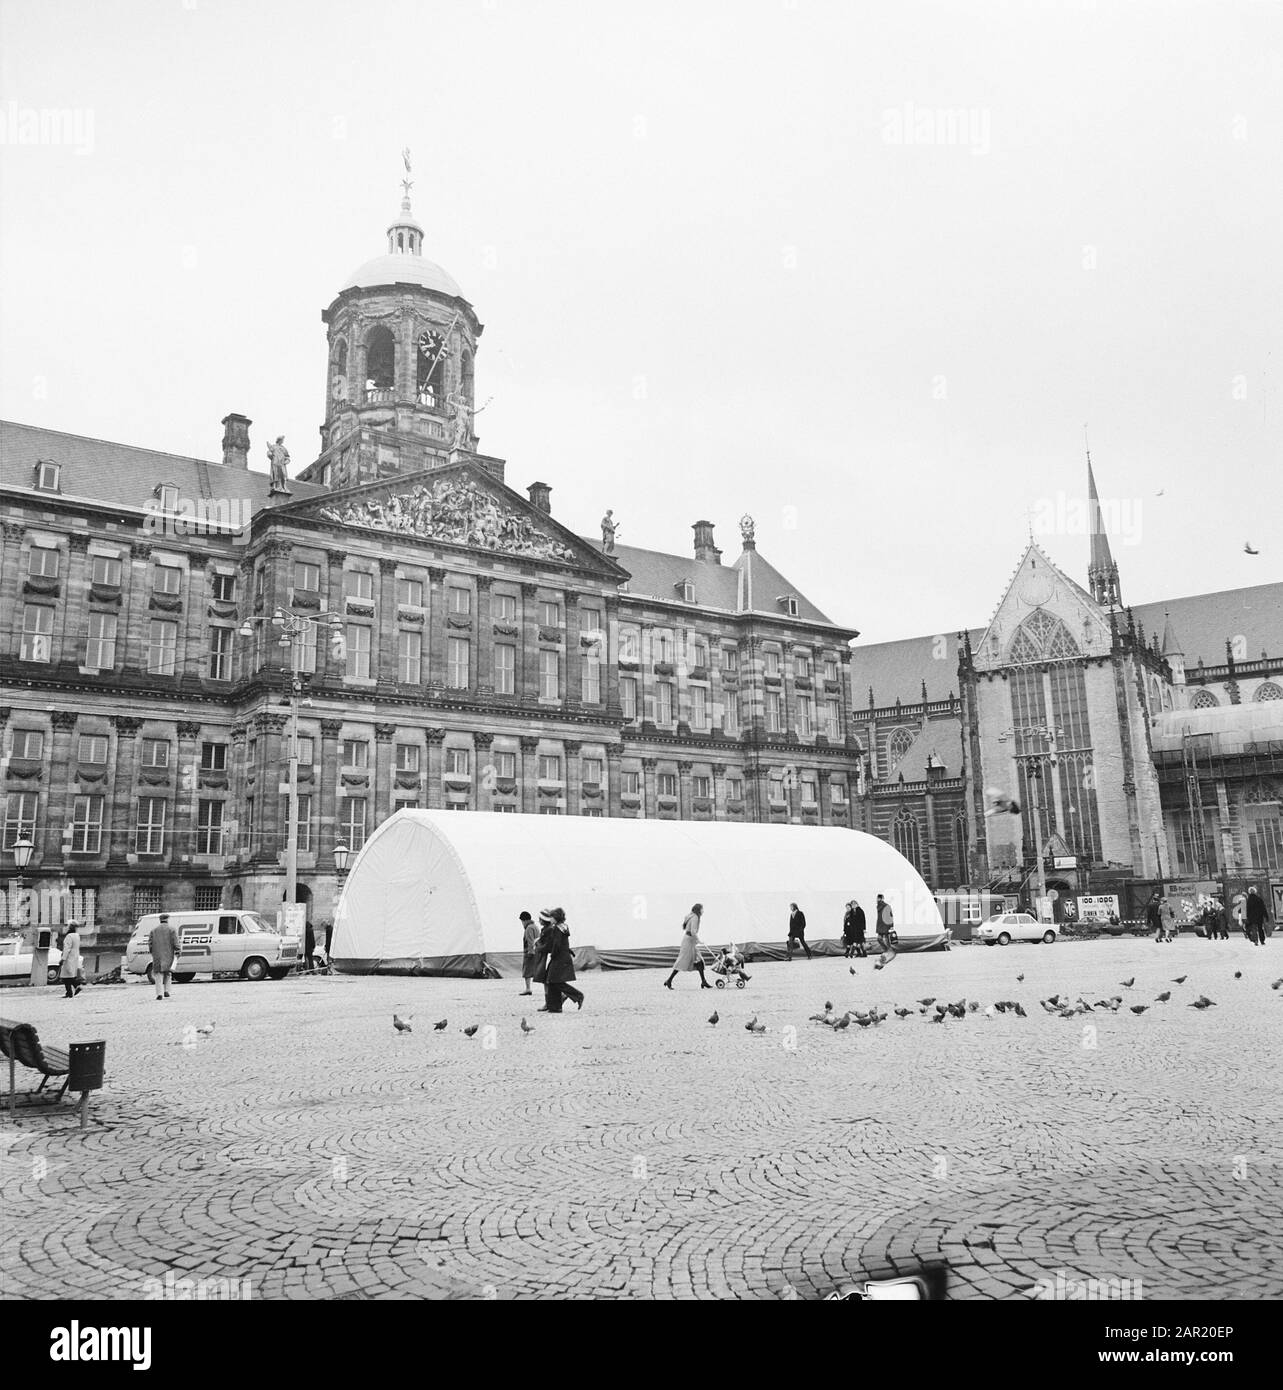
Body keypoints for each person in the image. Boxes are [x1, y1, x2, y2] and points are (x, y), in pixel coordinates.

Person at [535, 908, 584, 1013]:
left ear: (556, 918)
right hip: (563, 957)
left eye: (551, 917)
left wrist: (552, 955)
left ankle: (577, 995)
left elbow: (556, 945)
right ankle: (555, 1007)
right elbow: (563, 943)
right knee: (553, 981)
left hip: (559, 958)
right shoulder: (564, 927)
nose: (550, 919)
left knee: (554, 981)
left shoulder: (557, 929)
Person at [665, 903, 713, 989]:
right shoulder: (695, 917)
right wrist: (699, 941)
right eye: (702, 909)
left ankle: (703, 981)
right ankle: (669, 980)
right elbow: (693, 931)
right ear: (698, 910)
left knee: (699, 961)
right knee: (682, 961)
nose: (703, 911)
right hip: (689, 942)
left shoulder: (690, 916)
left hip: (689, 940)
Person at [150, 912, 179, 1000]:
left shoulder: (154, 930)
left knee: (158, 975)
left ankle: (159, 994)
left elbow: (150, 944)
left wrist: (153, 952)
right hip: (168, 954)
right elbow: (176, 942)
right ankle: (167, 991)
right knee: (168, 973)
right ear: (167, 920)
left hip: (157, 955)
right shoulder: (172, 929)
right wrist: (178, 951)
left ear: (160, 920)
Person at [60, 919, 83, 998]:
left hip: (69, 958)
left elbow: (67, 948)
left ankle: (71, 990)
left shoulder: (69, 936)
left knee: (66, 976)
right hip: (75, 956)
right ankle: (73, 989)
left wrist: (63, 958)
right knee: (70, 974)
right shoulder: (77, 935)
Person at [519, 910, 539, 995]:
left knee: (526, 971)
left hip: (529, 952)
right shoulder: (535, 926)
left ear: (525, 920)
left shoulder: (529, 928)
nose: (522, 923)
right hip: (537, 951)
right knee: (537, 971)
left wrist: (530, 952)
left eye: (522, 921)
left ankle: (528, 988)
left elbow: (530, 941)